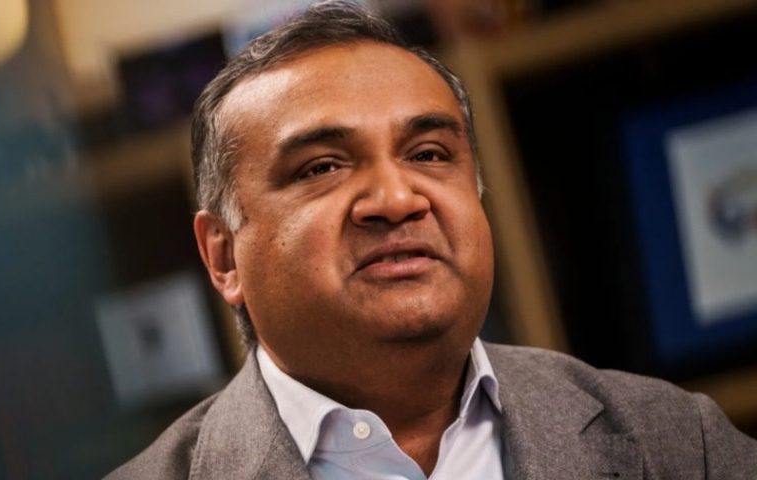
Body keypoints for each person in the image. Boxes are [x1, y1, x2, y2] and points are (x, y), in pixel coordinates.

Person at [107, 2, 757, 479]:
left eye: (428, 154)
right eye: (323, 167)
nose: (397, 199)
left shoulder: (678, 443)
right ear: (223, 256)